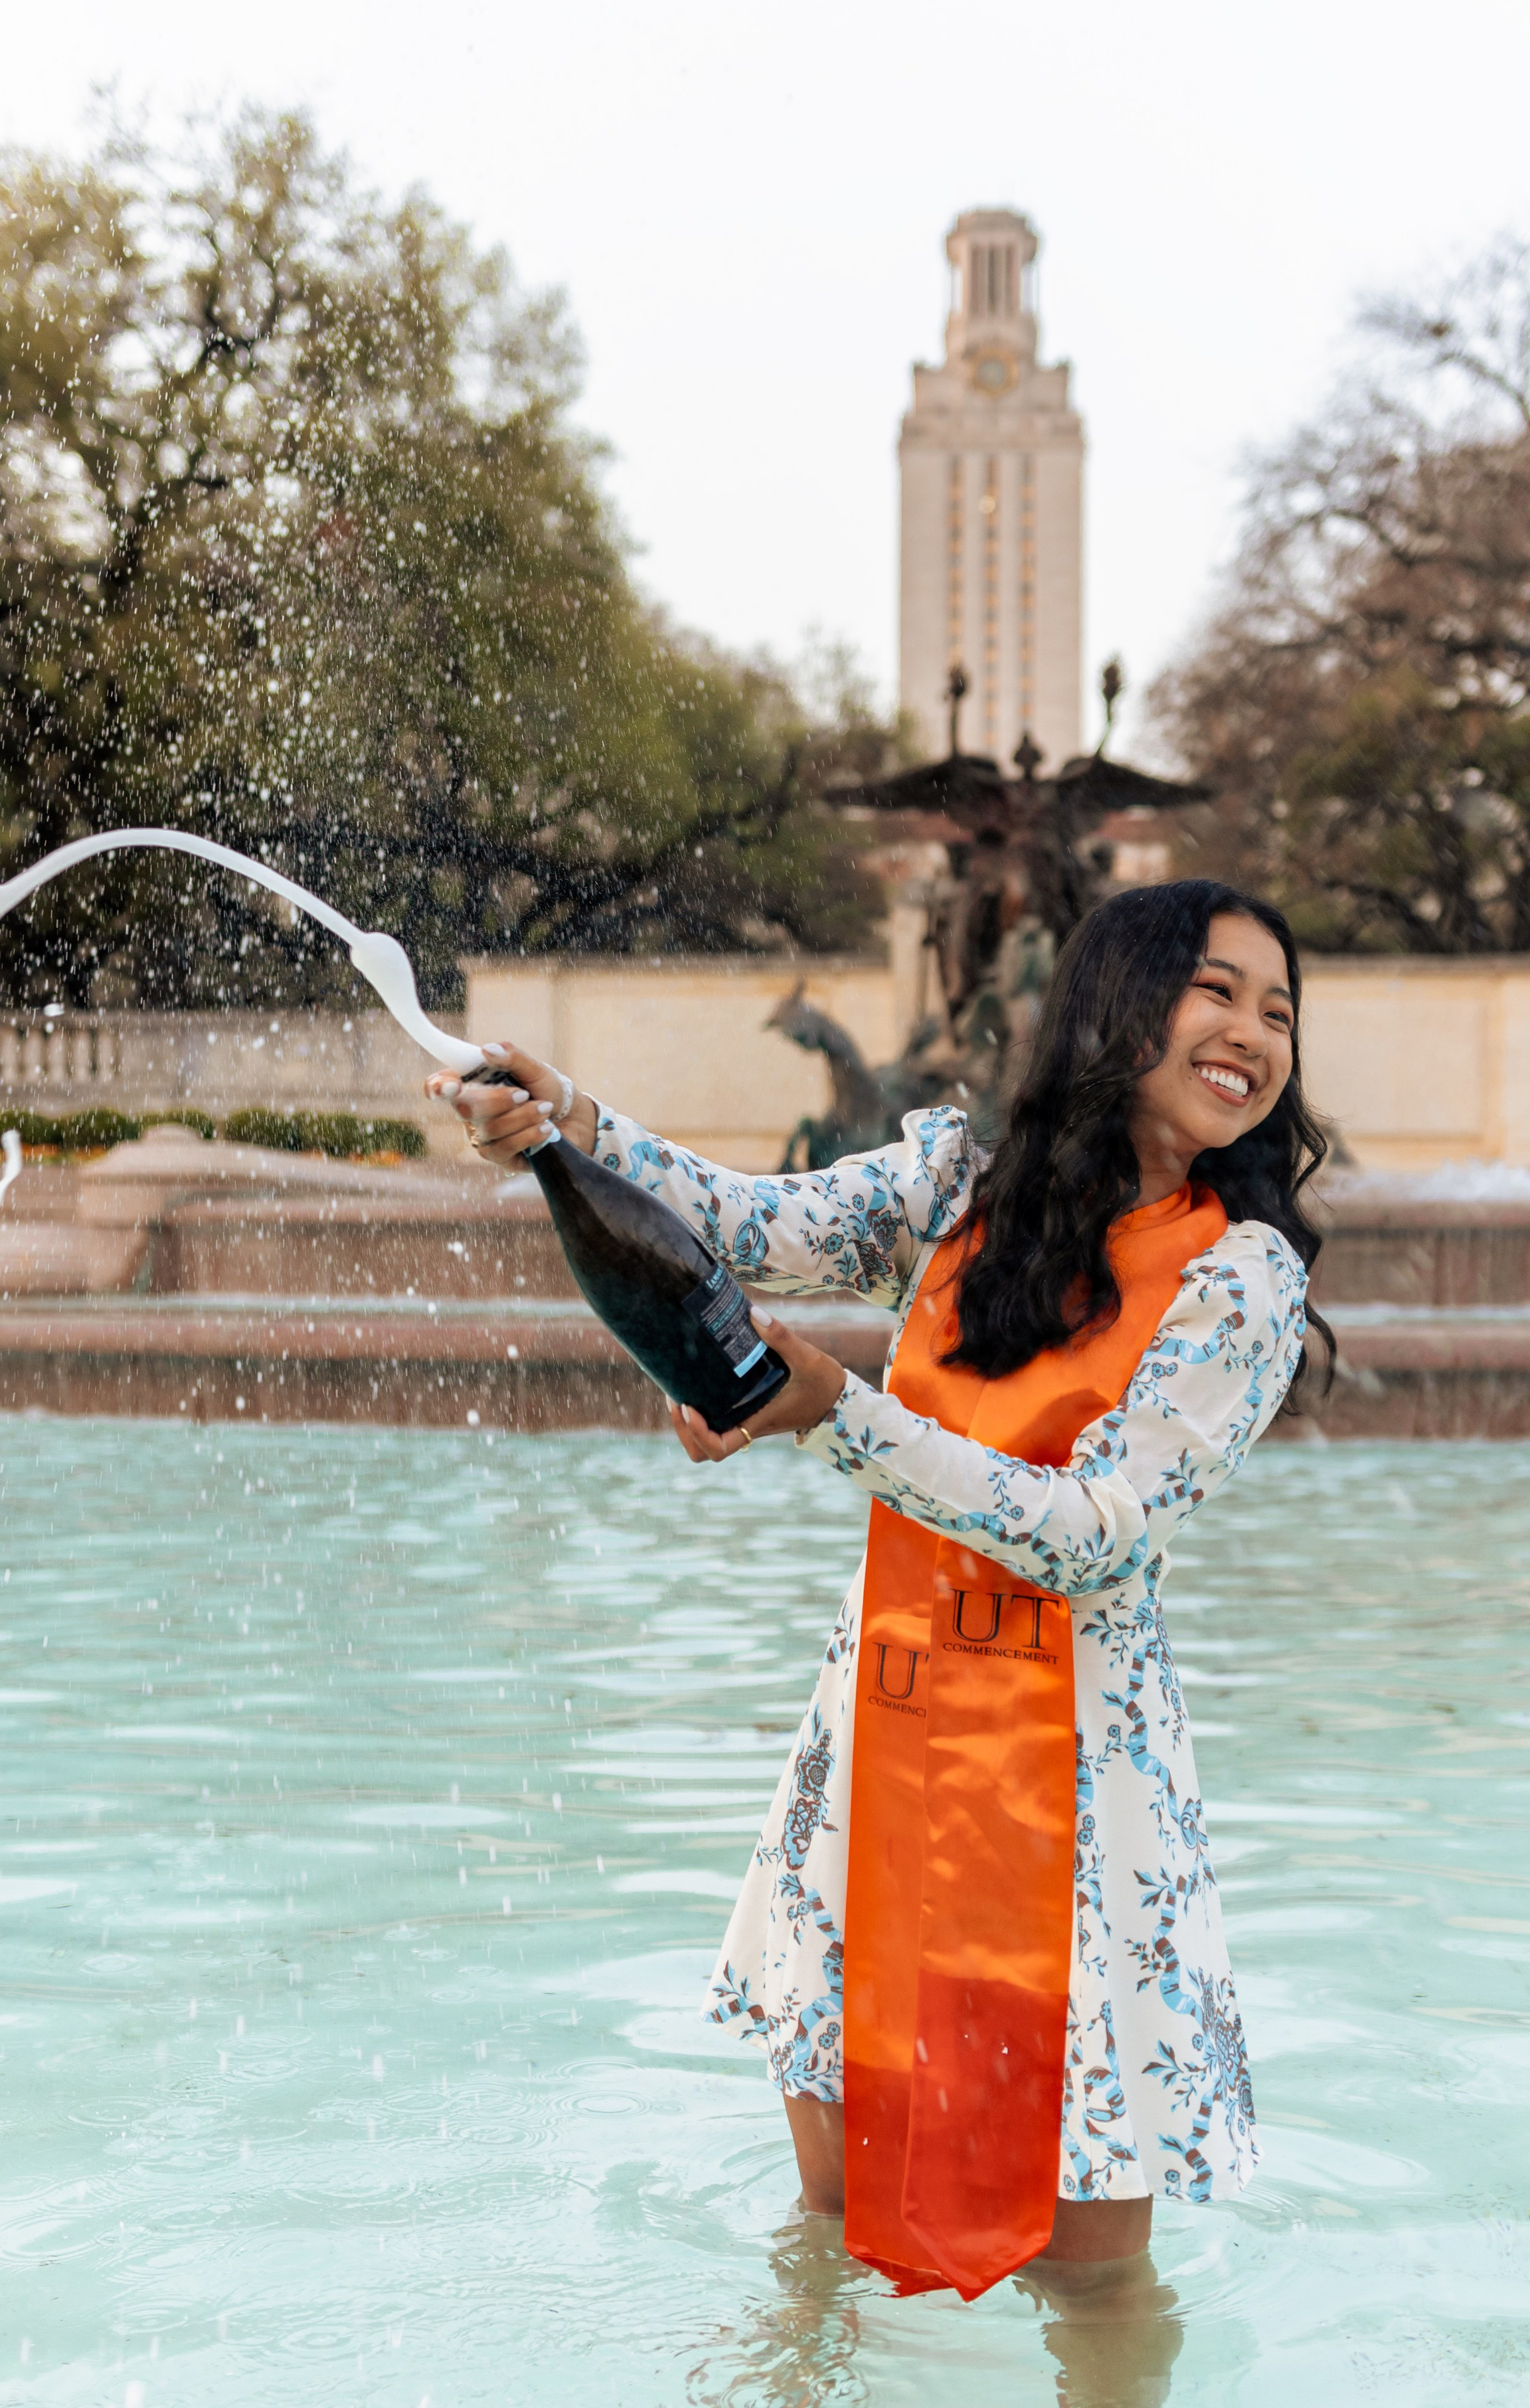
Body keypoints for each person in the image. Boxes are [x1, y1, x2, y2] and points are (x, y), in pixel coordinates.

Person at [428, 879, 1331, 2305]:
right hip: (881, 1750)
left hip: (1083, 1811)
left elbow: (1090, 1532)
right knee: (828, 2238)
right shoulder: (960, 1185)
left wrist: (832, 1413)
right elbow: (749, 1227)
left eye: (1276, 1010)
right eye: (1214, 990)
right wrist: (572, 1131)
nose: (1250, 1033)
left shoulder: (1243, 1279)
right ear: (1116, 1000)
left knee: (1091, 2280)